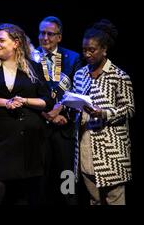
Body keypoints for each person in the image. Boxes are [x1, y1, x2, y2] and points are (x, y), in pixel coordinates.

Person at [0, 23, 53, 205]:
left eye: (2, 40)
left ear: (16, 43)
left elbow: (47, 101)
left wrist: (25, 100)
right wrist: (6, 103)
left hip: (28, 137)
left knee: (24, 193)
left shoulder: (33, 68)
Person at [72, 19, 133, 205]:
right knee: (94, 199)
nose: (87, 54)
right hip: (86, 143)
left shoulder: (119, 76)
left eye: (92, 50)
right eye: (84, 50)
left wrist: (104, 113)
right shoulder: (80, 74)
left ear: (104, 49)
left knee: (115, 199)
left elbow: (129, 110)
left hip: (111, 149)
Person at [34, 16, 82, 205]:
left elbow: (78, 88)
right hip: (39, 128)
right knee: (40, 181)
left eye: (50, 34)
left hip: (65, 128)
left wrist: (59, 110)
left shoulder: (73, 58)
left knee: (66, 178)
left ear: (59, 37)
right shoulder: (30, 57)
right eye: (42, 33)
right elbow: (29, 90)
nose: (45, 37)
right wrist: (48, 114)